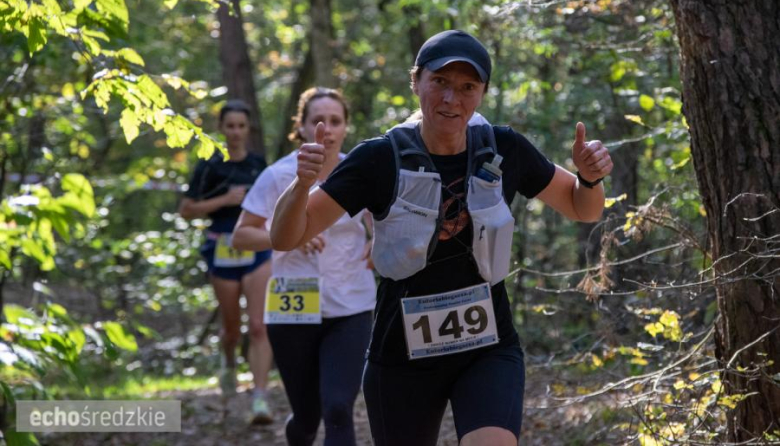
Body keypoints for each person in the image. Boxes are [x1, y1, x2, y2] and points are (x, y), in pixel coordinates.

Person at [269, 30, 614, 446]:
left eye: (467, 87)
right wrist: (301, 185)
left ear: (482, 93)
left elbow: (582, 208)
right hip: (401, 356)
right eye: (440, 83)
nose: (452, 99)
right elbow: (288, 236)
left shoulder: (503, 148)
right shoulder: (378, 158)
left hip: (487, 348)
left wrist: (589, 178)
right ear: (416, 82)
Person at [232, 87, 376, 446]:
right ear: (302, 126)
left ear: (345, 128)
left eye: (336, 121)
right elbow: (241, 236)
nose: (326, 129)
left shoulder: (361, 172)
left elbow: (384, 221)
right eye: (317, 121)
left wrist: (380, 241)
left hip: (352, 303)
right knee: (308, 418)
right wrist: (287, 233)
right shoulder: (278, 175)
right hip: (293, 304)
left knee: (339, 408)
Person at [178, 99, 275, 425]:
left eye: (241, 126)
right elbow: (186, 209)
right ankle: (229, 359)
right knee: (232, 328)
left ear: (248, 130)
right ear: (221, 128)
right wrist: (225, 199)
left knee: (259, 325)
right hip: (222, 248)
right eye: (230, 126)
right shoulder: (208, 164)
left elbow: (275, 204)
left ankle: (260, 397)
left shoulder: (259, 163)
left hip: (257, 249)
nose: (235, 132)